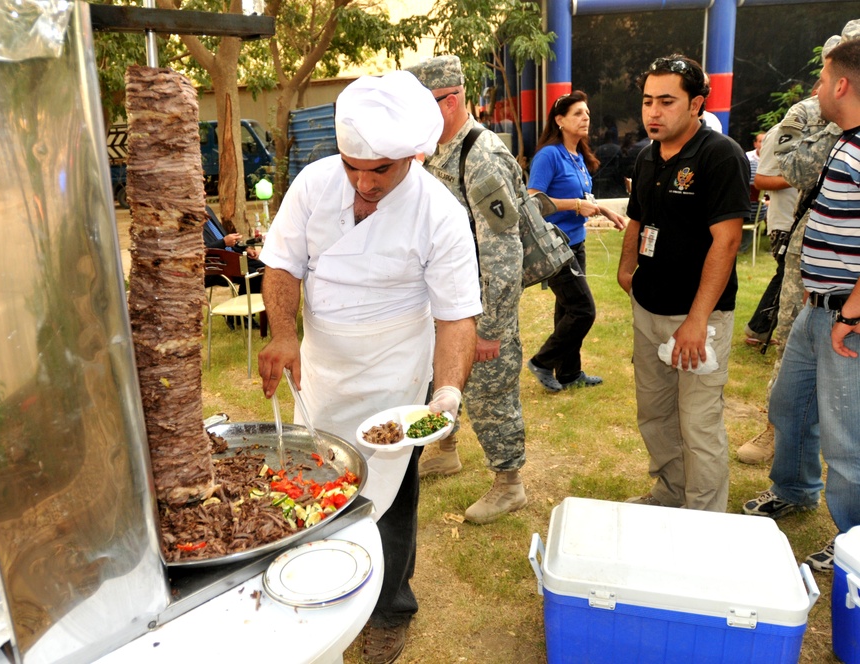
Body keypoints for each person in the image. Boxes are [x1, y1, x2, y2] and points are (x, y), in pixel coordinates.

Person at [256, 71, 480, 663]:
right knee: (312, 481)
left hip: (393, 369)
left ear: (413, 154)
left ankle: (389, 611)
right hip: (322, 364)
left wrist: (448, 393)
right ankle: (313, 586)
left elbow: (456, 316)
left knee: (389, 496)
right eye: (352, 164)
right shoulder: (312, 184)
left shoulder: (441, 213)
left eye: (379, 170)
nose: (362, 181)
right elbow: (281, 263)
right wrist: (283, 334)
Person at [743, 35, 860, 573]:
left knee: (847, 438)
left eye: (821, 77)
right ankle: (794, 489)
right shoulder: (842, 140)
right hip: (817, 307)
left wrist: (851, 315)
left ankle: (855, 545)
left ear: (841, 83)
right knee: (791, 406)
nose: (815, 88)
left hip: (846, 317)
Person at [617, 54, 750, 512]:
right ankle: (670, 493)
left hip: (699, 319)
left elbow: (727, 242)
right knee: (654, 416)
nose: (654, 112)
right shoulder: (648, 154)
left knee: (698, 423)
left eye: (667, 101)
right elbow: (637, 217)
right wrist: (626, 269)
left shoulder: (720, 155)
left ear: (696, 104)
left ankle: (704, 517)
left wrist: (696, 321)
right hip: (648, 308)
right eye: (648, 101)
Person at [405, 55, 526, 523]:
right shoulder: (439, 149)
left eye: (424, 108)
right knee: (440, 378)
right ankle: (446, 448)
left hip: (481, 307)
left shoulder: (482, 155)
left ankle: (509, 482)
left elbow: (503, 250)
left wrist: (490, 328)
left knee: (492, 396)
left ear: (451, 100)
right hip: (446, 302)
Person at [525, 91, 627, 392]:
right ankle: (542, 362)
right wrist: (572, 205)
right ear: (560, 120)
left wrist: (605, 209)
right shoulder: (549, 155)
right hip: (555, 246)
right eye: (578, 114)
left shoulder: (578, 155)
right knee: (583, 310)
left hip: (576, 242)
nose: (586, 118)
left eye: (587, 113)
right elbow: (533, 201)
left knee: (567, 308)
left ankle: (569, 373)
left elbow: (584, 198)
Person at [743, 127, 799, 350]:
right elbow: (761, 181)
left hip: (796, 223)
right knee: (786, 277)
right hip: (785, 224)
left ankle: (759, 329)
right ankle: (759, 329)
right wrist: (802, 176)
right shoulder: (785, 131)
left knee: (785, 277)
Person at [203, 204, 264, 329]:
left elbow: (225, 240)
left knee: (263, 270)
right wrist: (223, 242)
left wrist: (244, 249)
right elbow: (198, 250)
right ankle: (240, 316)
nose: (204, 193)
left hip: (230, 258)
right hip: (213, 265)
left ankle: (239, 315)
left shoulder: (207, 209)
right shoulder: (188, 218)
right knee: (252, 274)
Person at [742, 131, 767, 253]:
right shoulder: (748, 159)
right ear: (755, 144)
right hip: (756, 210)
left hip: (741, 209)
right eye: (761, 141)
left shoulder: (742, 163)